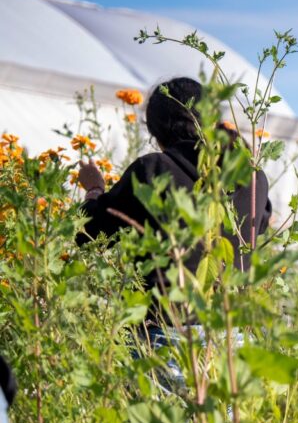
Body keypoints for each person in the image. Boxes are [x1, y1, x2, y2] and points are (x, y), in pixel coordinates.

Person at [76, 76, 272, 390]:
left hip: (165, 333)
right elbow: (260, 224)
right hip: (231, 339)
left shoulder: (153, 170)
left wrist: (94, 190)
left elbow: (89, 232)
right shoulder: (252, 175)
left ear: (157, 131)